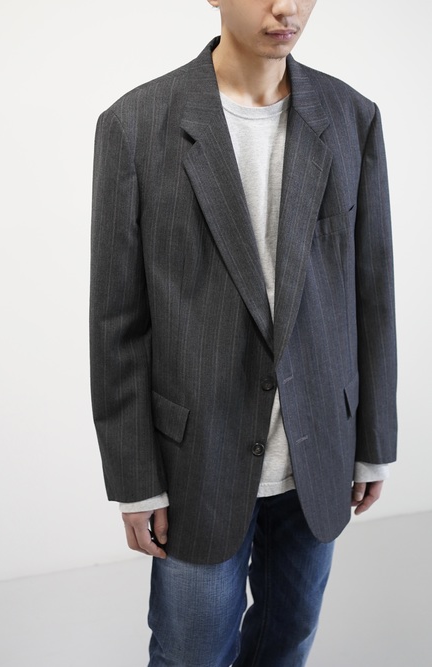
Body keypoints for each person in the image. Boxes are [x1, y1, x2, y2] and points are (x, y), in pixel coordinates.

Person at [90, 1, 397, 665]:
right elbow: (117, 320)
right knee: (192, 652)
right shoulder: (135, 125)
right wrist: (135, 479)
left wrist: (373, 441)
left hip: (319, 451)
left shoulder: (353, 117)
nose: (286, 7)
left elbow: (371, 292)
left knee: (286, 642)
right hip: (195, 462)